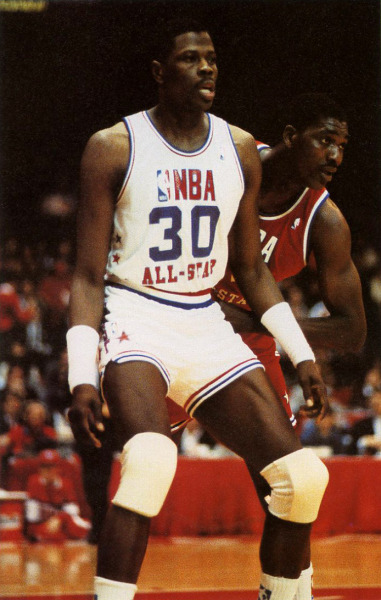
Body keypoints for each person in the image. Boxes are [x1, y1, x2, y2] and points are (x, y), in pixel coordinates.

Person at [67, 19, 329, 600]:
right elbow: (86, 276)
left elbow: (252, 271)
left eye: (211, 58)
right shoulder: (114, 146)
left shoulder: (238, 149)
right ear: (160, 73)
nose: (207, 68)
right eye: (190, 59)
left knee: (303, 476)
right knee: (152, 462)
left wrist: (302, 352)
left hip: (202, 320)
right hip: (134, 314)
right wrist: (80, 377)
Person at [214, 92, 367, 599]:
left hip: (254, 343)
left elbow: (352, 329)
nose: (335, 156)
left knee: (292, 487)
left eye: (342, 146)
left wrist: (276, 329)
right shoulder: (230, 162)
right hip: (180, 320)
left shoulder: (325, 221)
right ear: (288, 135)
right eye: (325, 140)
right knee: (137, 456)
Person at [25, 448, 91, 542]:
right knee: (46, 535)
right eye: (44, 466)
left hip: (64, 523)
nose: (48, 471)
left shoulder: (65, 484)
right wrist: (50, 522)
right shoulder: (34, 483)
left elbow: (73, 512)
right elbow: (32, 516)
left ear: (58, 468)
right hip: (43, 525)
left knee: (83, 529)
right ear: (39, 469)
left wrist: (59, 518)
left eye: (52, 466)